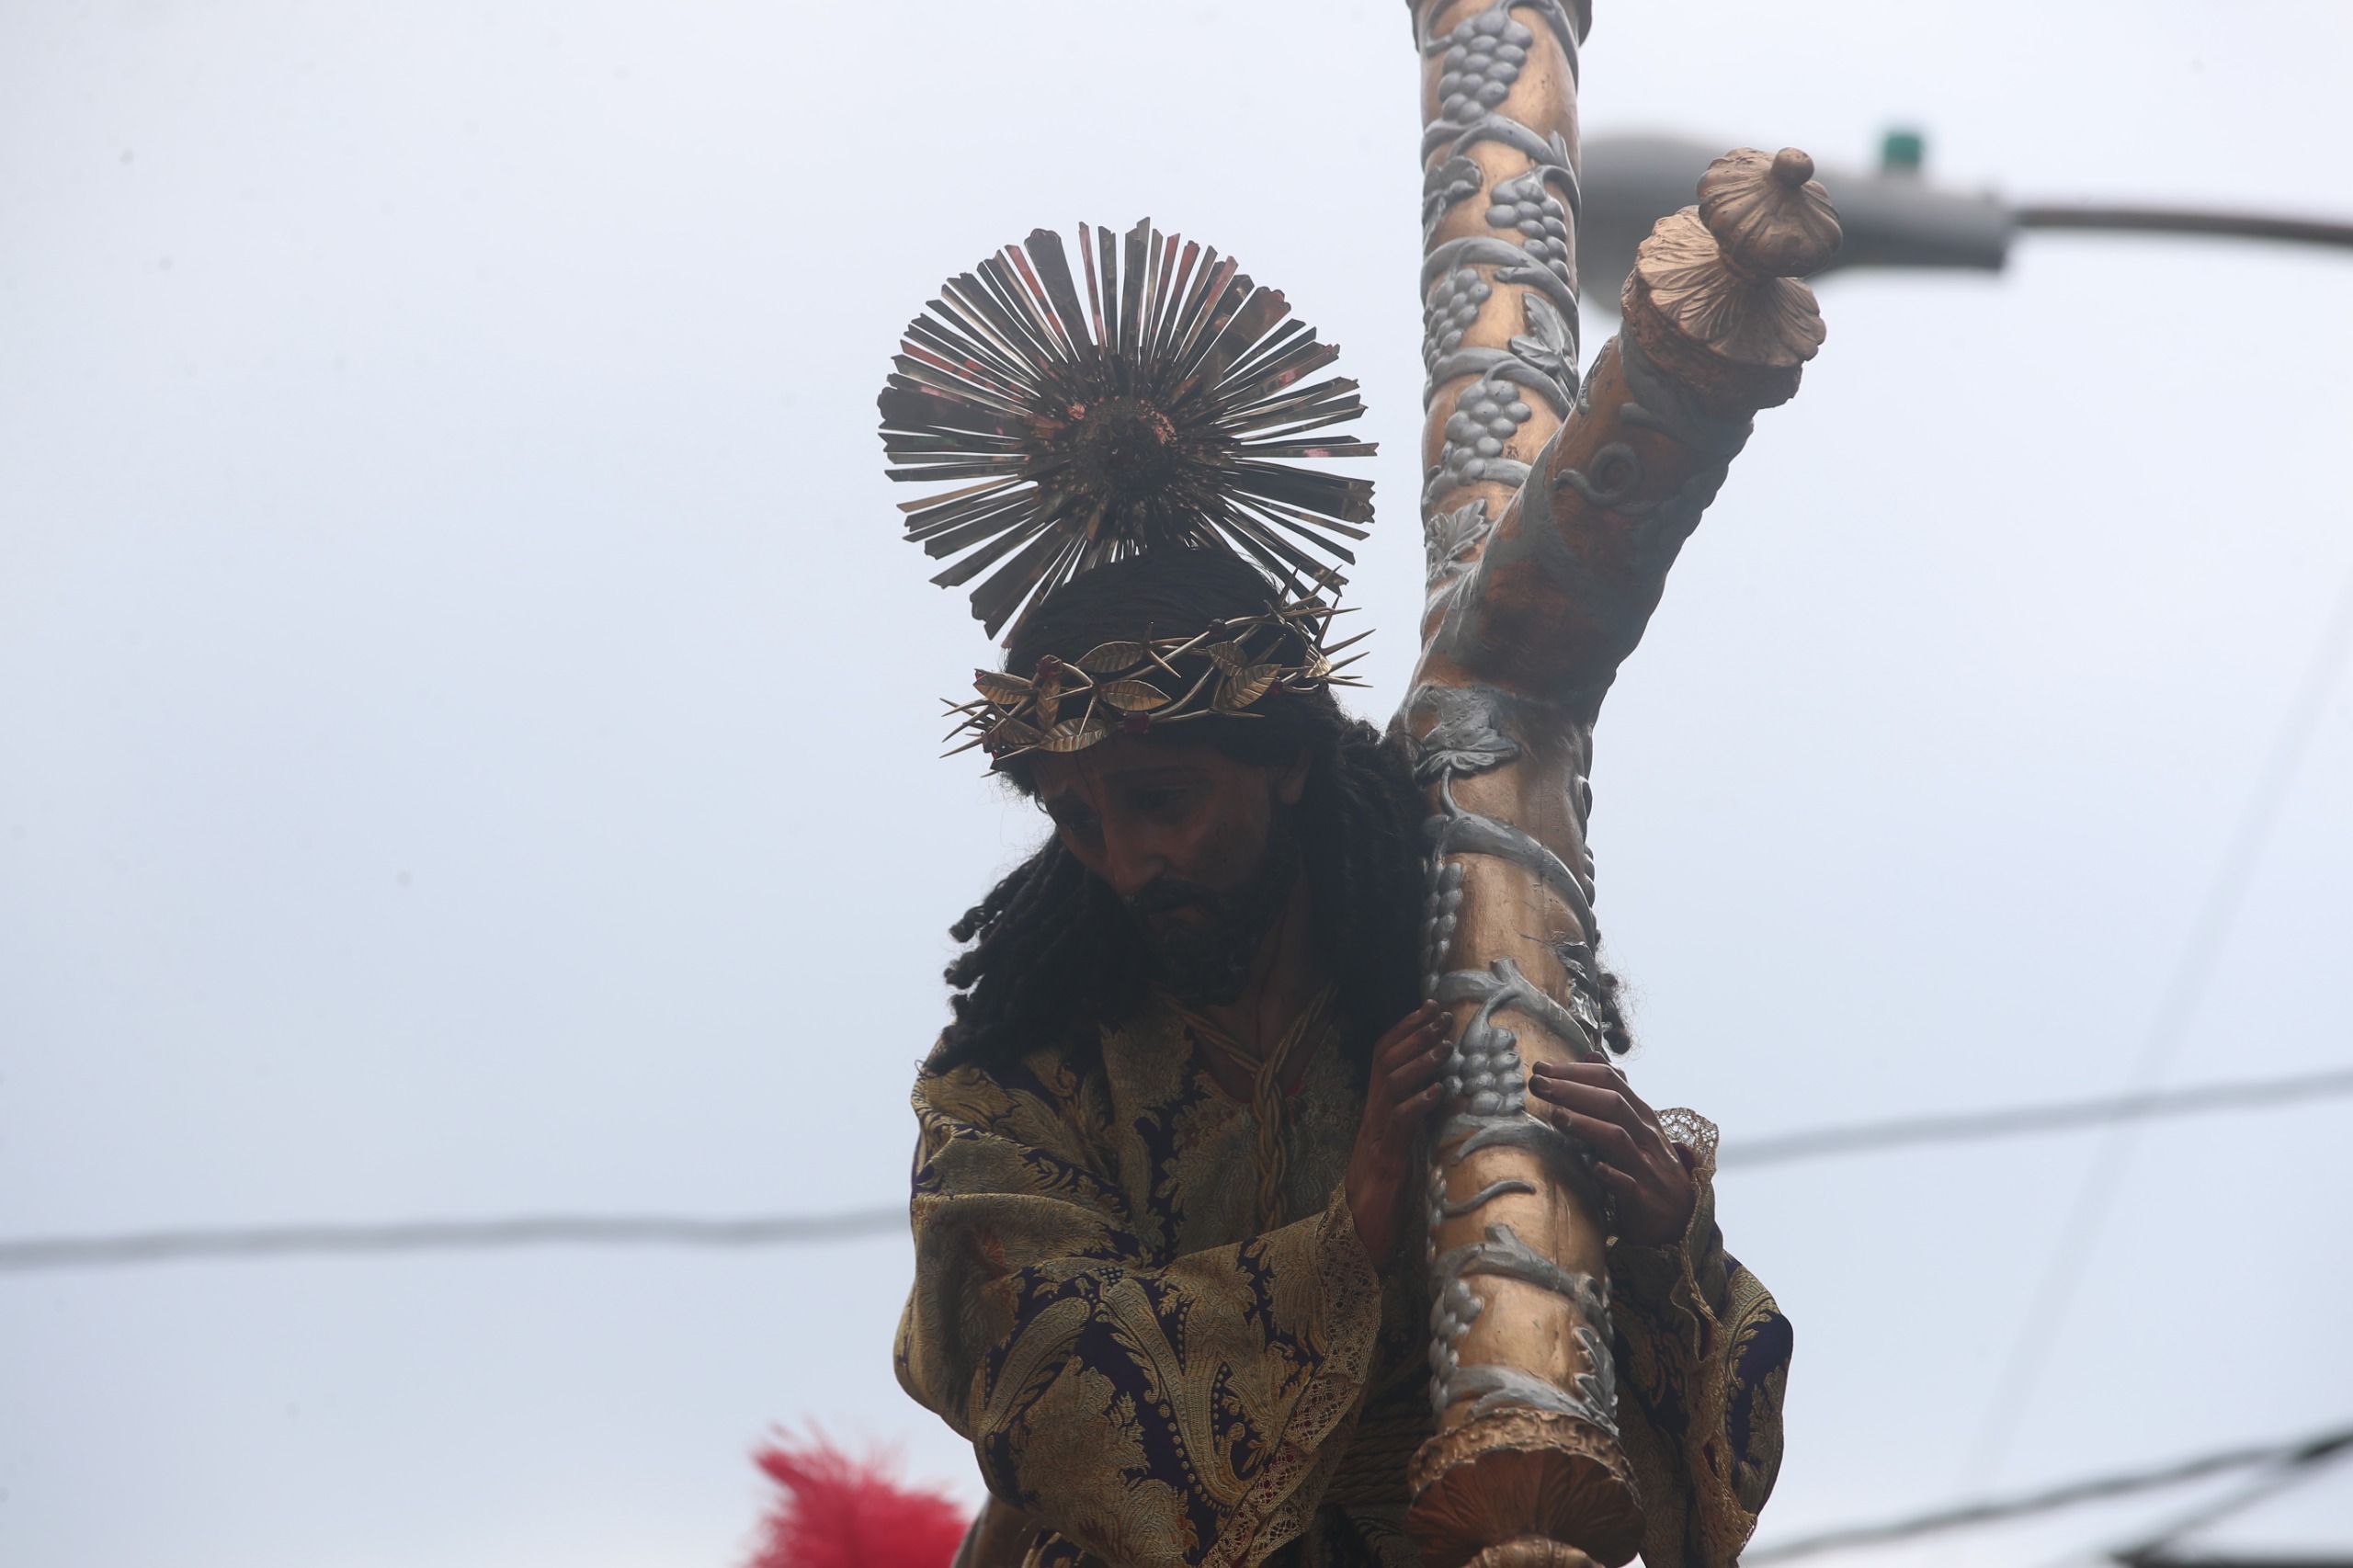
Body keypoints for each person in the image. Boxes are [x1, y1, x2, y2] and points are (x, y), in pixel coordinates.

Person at [893, 551, 1790, 1568]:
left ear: (1284, 761)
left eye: (1162, 800)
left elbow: (1664, 1417)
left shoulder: (1461, 989)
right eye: (1080, 818)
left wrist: (1663, 1243)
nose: (1130, 859)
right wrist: (1341, 1245)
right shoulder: (1010, 1077)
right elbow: (1032, 1369)